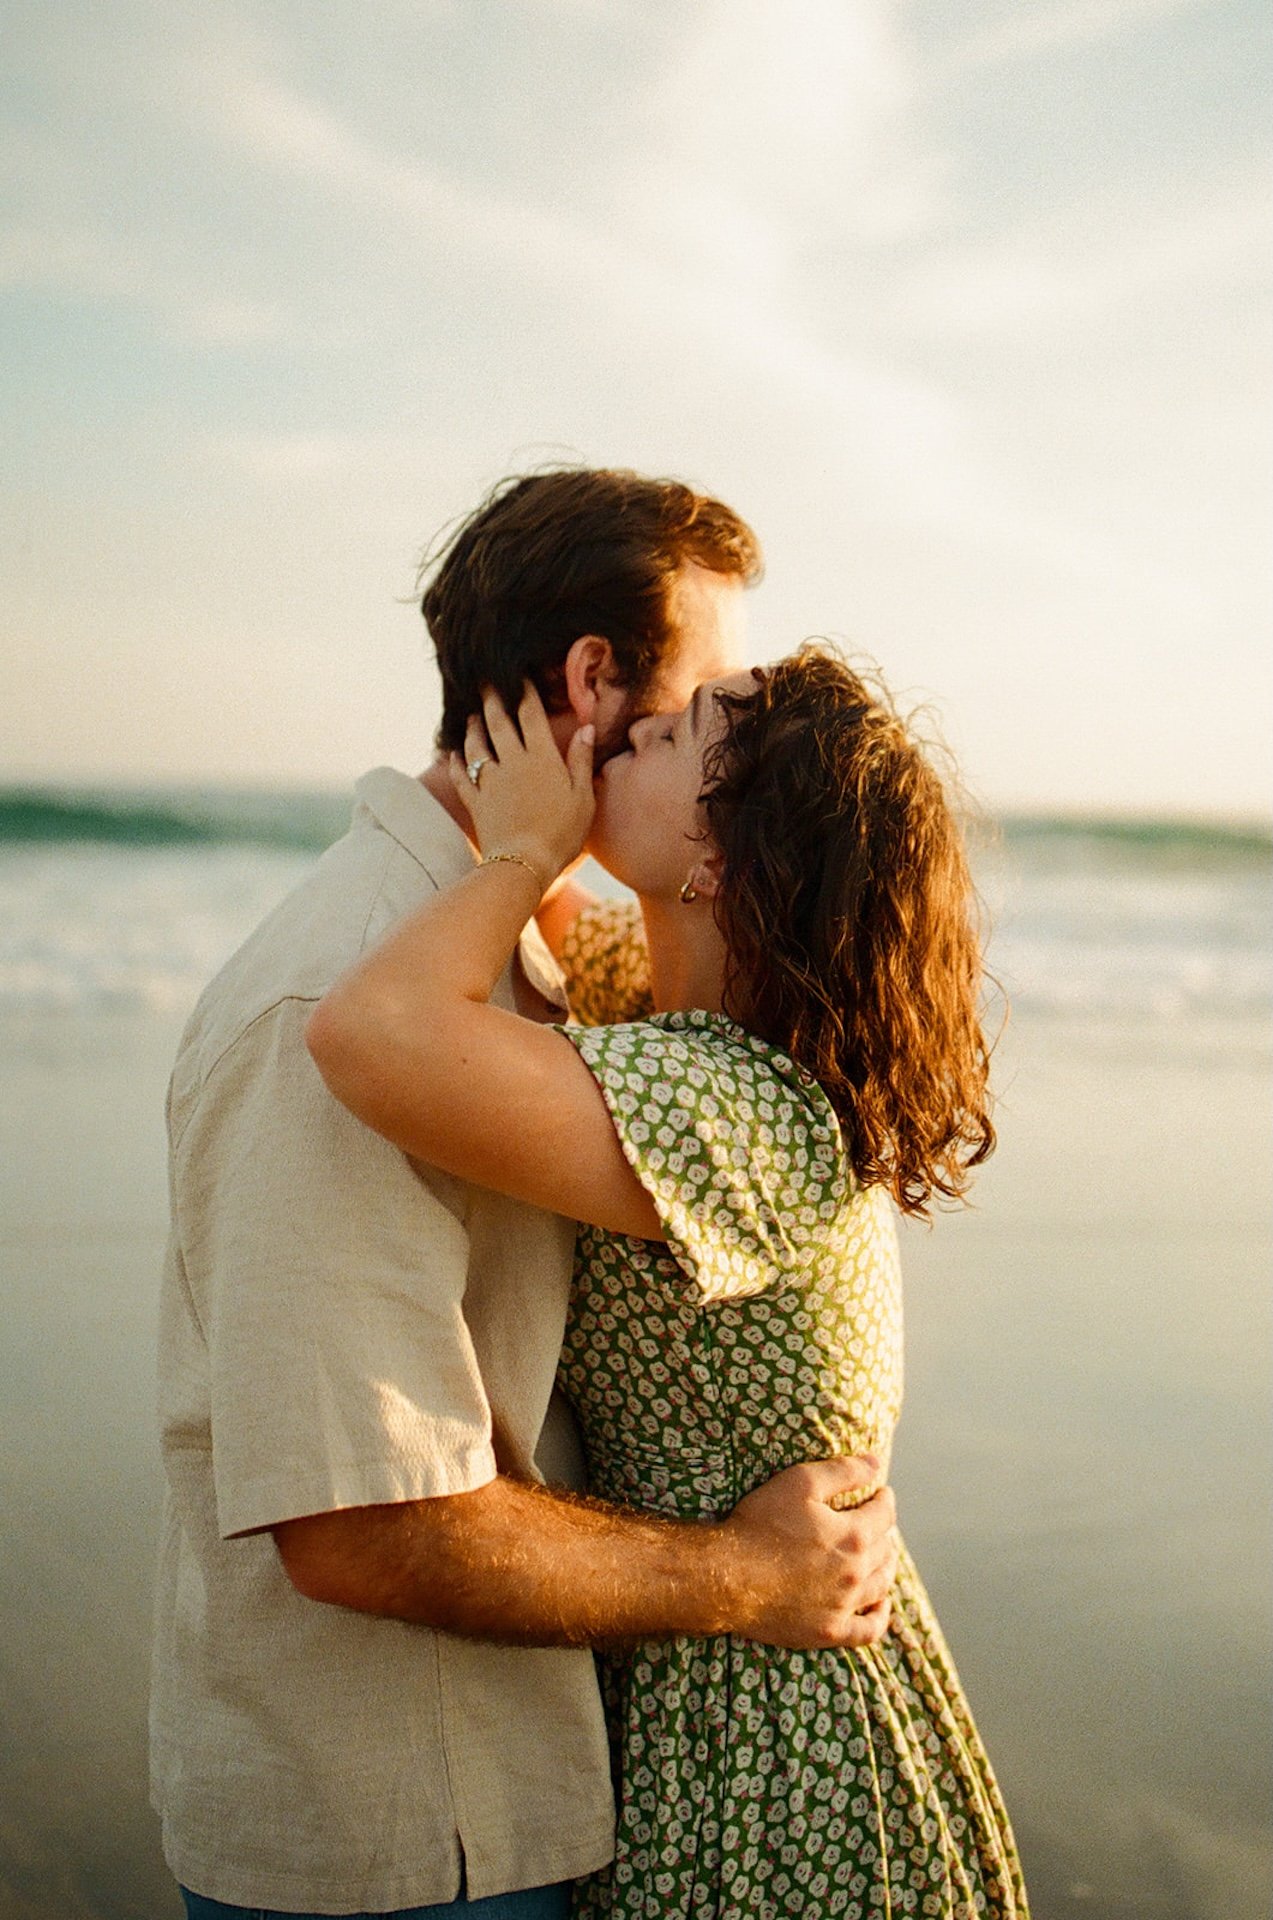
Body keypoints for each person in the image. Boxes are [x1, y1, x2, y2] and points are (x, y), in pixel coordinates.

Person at [151, 470, 900, 1920]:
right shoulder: (338, 1000)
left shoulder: (517, 958)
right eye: (695, 704)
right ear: (593, 683)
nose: (730, 749)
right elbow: (356, 1525)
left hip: (514, 1797)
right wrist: (743, 1578)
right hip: (401, 1840)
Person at [306, 648, 1030, 1918]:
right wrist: (544, 779)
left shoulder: (742, 1105)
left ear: (723, 863)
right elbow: (545, 935)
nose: (633, 726)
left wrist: (521, 850)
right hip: (713, 1657)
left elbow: (373, 1033)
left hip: (771, 1738)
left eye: (678, 728)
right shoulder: (658, 1011)